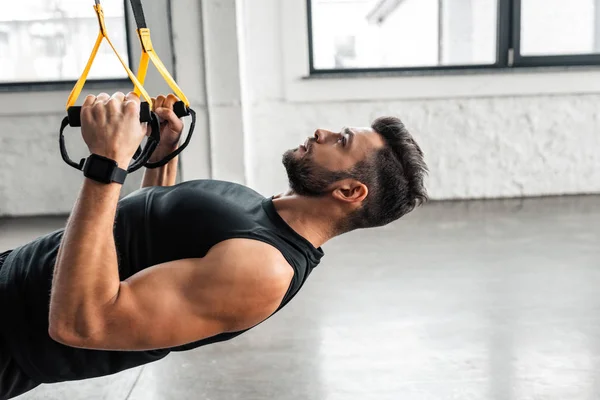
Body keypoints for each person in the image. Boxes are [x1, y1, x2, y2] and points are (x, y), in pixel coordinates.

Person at [0, 92, 428, 399]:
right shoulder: (265, 210)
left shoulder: (263, 270)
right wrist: (162, 155)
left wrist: (107, 164)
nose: (323, 131)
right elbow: (143, 242)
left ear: (351, 192)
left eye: (342, 140)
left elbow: (81, 324)